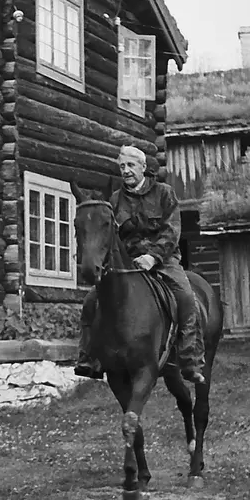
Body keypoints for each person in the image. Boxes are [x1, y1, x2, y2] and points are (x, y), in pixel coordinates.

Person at [74, 145, 207, 385]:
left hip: (164, 261)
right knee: (90, 301)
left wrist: (153, 256)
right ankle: (89, 357)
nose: (126, 171)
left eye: (131, 166)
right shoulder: (114, 200)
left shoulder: (164, 193)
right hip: (128, 264)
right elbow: (109, 236)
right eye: (122, 166)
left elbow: (172, 230)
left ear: (143, 168)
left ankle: (190, 359)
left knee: (187, 298)